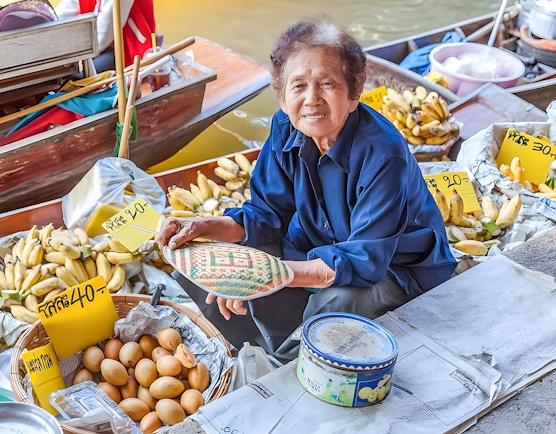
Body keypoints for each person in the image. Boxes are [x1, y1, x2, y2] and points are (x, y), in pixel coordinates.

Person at [157, 14, 457, 363]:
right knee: (201, 265)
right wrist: (205, 226)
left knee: (338, 302)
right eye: (298, 86)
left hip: (396, 267)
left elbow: (363, 262)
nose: (312, 99)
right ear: (282, 96)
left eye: (327, 84)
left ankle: (290, 368)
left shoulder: (383, 154)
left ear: (354, 92)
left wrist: (263, 276)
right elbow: (266, 214)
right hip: (319, 244)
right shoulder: (286, 127)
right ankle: (253, 350)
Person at [55, 0, 156, 71]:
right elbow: (62, 12)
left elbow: (104, 33)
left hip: (125, 51)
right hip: (100, 42)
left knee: (72, 76)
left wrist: (77, 57)